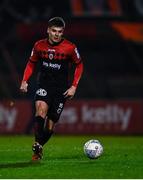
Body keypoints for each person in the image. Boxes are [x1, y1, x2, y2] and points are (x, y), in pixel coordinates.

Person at [20, 17, 83, 161]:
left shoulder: (70, 47)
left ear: (63, 32)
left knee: (50, 125)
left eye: (60, 31)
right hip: (44, 85)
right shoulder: (39, 46)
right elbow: (31, 63)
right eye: (54, 31)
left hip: (61, 90)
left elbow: (79, 65)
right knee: (40, 110)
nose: (56, 34)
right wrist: (24, 81)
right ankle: (36, 147)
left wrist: (74, 86)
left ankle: (39, 146)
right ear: (48, 30)